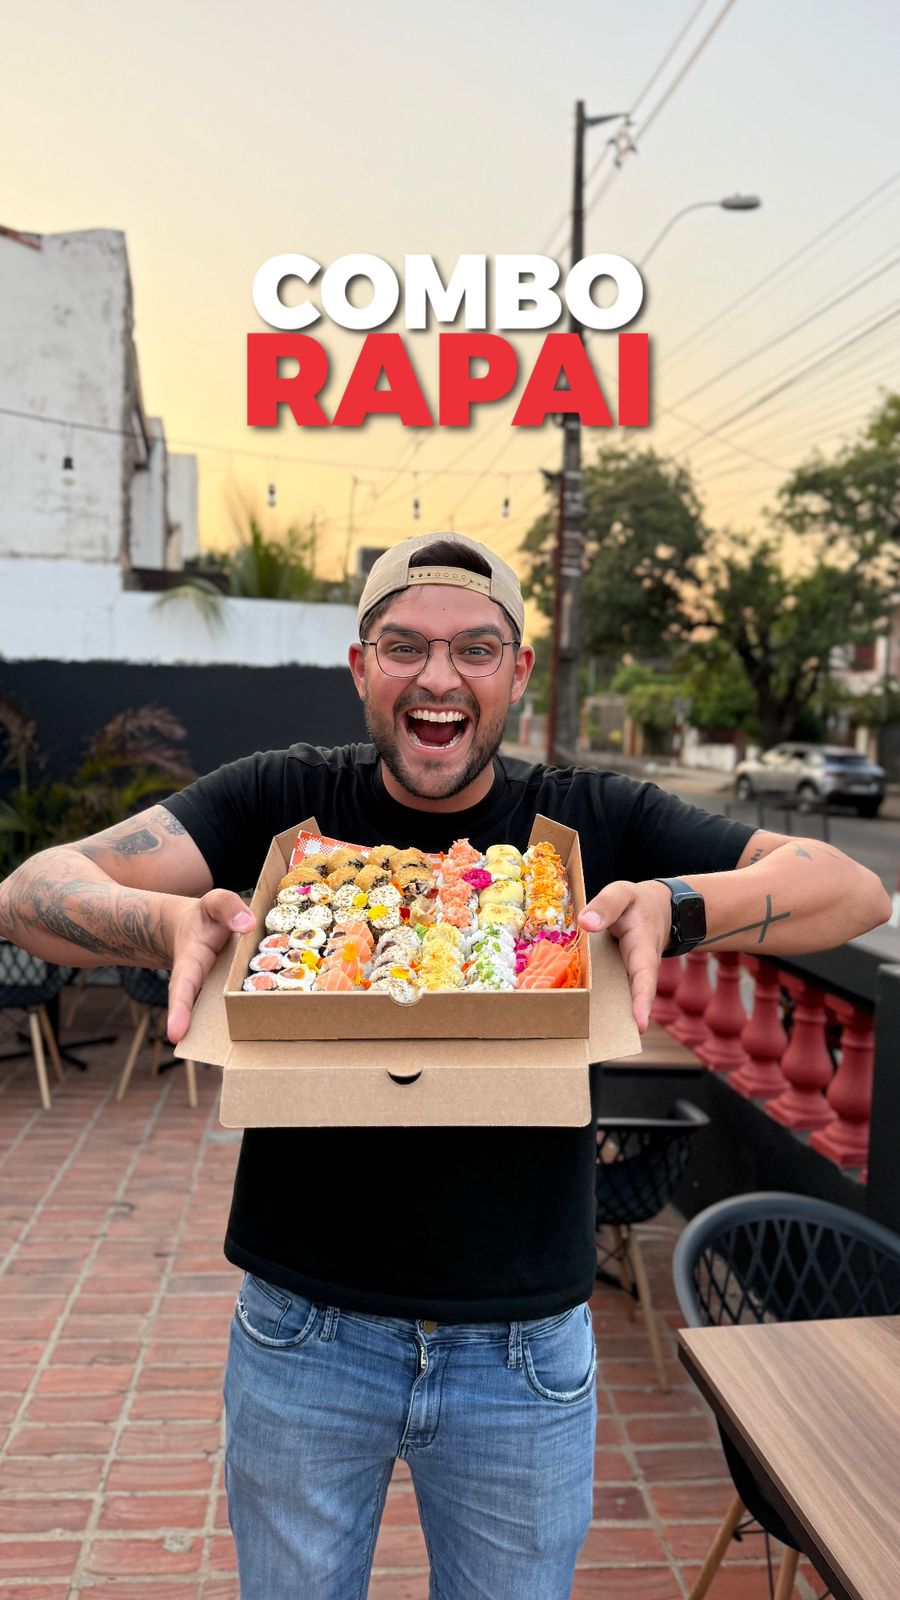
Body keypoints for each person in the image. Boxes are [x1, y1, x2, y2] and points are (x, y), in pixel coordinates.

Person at [0, 532, 889, 1600]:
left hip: (524, 1353)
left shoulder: (593, 818)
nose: (438, 677)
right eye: (404, 646)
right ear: (360, 666)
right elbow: (29, 890)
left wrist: (679, 905)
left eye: (475, 648)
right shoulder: (279, 798)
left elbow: (852, 890)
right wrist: (165, 923)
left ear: (517, 671)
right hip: (303, 1333)